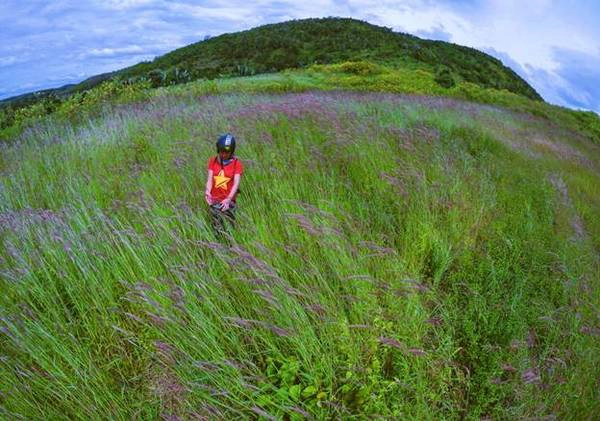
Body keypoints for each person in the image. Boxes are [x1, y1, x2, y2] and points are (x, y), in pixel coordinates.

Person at [204, 133, 243, 235]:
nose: (224, 155)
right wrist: (207, 192)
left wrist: (229, 199)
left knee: (229, 228)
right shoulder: (213, 161)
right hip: (215, 200)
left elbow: (236, 183)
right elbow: (210, 179)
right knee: (216, 227)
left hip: (228, 202)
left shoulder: (236, 163)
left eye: (227, 152)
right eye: (222, 152)